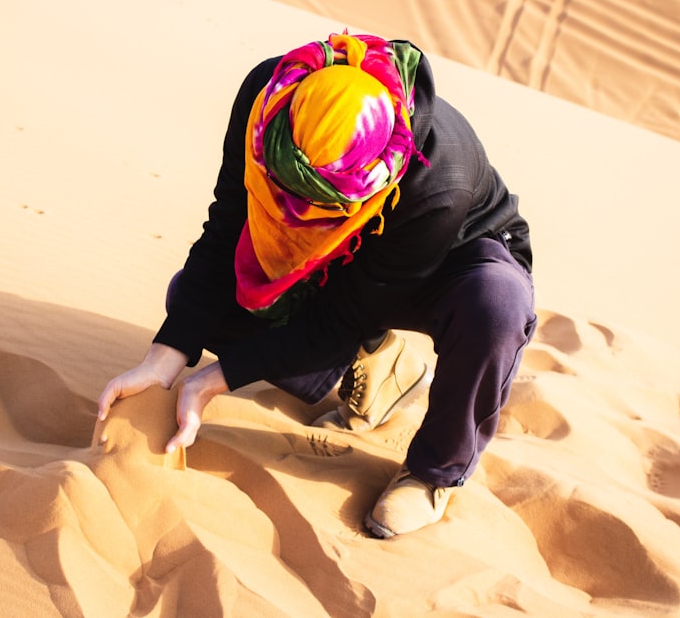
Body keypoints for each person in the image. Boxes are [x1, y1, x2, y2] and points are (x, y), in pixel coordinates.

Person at [96, 32, 536, 538]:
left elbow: (346, 316)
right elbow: (226, 230)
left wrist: (213, 380)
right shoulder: (267, 93)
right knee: (196, 302)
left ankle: (435, 473)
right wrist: (164, 359)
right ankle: (380, 365)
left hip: (449, 259)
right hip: (344, 257)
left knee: (495, 307)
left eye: (314, 201)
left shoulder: (441, 177)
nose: (293, 210)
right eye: (281, 191)